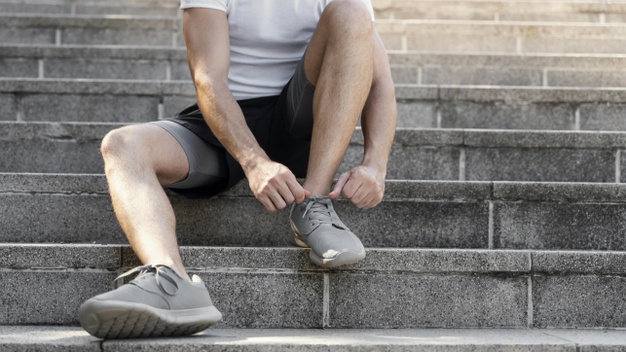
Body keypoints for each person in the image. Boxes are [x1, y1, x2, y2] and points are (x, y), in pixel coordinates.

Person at [78, 0, 397, 339]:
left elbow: (379, 82)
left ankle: (313, 203)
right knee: (122, 145)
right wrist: (254, 161)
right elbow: (208, 78)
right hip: (226, 124)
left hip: (305, 119)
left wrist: (375, 166)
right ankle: (169, 281)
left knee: (351, 11)